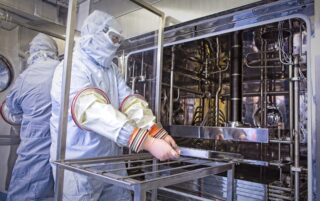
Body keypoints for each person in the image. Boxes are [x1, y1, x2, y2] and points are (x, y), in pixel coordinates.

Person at [50, 10, 180, 200]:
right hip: (78, 165)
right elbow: (92, 111)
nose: (116, 44)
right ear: (96, 35)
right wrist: (147, 142)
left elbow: (129, 101)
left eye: (119, 39)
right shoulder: (71, 68)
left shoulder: (110, 68)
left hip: (111, 160)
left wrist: (155, 131)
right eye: (113, 38)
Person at [0, 33, 59, 200]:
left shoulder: (25, 77)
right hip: (62, 149)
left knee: (24, 191)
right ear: (53, 50)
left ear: (32, 51)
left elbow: (12, 110)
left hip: (33, 148)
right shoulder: (64, 71)